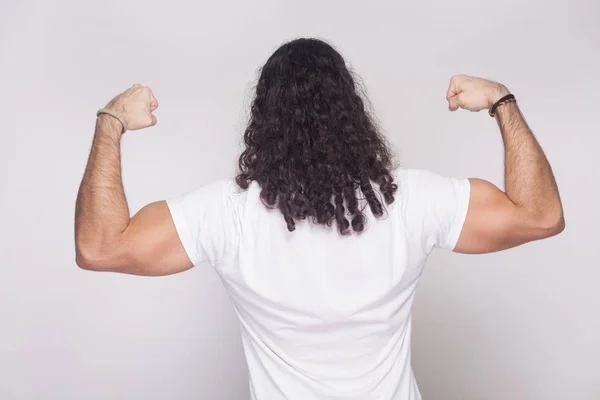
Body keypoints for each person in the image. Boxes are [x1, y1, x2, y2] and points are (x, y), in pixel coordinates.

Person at [74, 38, 564, 399]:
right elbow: (540, 215)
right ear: (352, 112)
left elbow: (101, 246)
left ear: (262, 120)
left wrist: (110, 122)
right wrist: (501, 100)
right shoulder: (409, 200)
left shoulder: (228, 215)